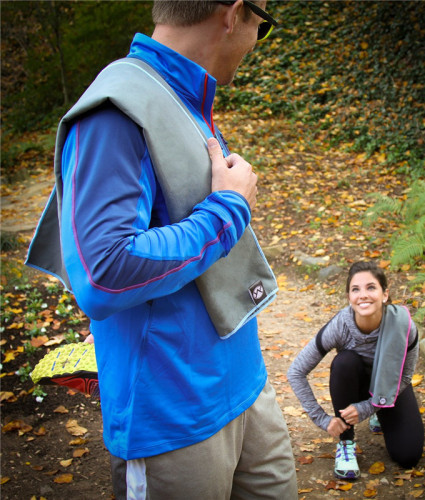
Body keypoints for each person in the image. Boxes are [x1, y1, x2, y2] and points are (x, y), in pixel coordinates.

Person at [26, 1, 298, 498]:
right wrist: (227, 211)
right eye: (264, 23)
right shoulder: (115, 111)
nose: (258, 39)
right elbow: (104, 272)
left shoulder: (179, 93)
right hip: (173, 417)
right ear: (234, 14)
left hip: (245, 389)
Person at [287, 261, 424, 479]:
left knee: (408, 456)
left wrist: (369, 407)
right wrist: (322, 420)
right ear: (349, 297)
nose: (363, 295)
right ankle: (346, 442)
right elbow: (296, 372)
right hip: (354, 383)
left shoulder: (403, 326)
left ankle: (379, 413)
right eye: (355, 289)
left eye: (371, 287)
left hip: (389, 387)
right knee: (344, 362)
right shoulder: (341, 325)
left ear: (385, 294)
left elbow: (406, 377)